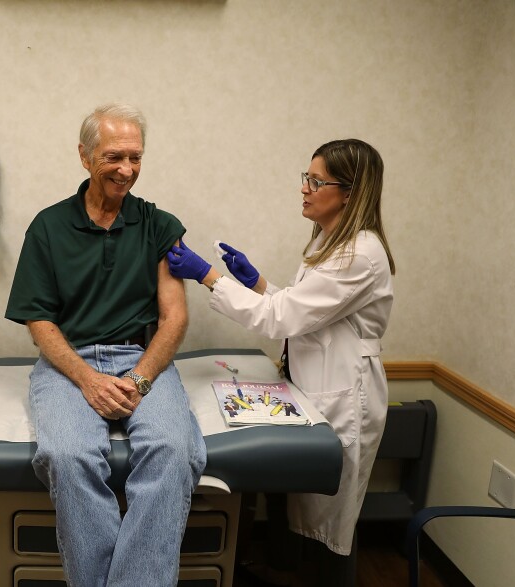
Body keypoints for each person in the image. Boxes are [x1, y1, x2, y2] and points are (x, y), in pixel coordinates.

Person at [167, 139, 395, 587]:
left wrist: (207, 275)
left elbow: (283, 318)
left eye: (316, 181)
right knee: (299, 510)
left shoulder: (359, 254)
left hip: (345, 393)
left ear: (349, 192)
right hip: (315, 383)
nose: (304, 189)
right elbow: (303, 310)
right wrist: (257, 283)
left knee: (328, 522)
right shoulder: (332, 242)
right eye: (304, 178)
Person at [5, 103, 207, 587]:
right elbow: (39, 320)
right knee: (69, 456)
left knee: (175, 450)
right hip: (68, 362)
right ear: (84, 155)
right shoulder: (48, 227)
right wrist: (87, 378)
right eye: (115, 156)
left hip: (142, 358)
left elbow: (174, 317)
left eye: (135, 157)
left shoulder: (159, 225)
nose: (127, 170)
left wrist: (140, 377)